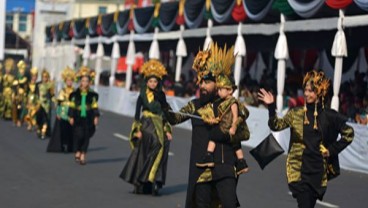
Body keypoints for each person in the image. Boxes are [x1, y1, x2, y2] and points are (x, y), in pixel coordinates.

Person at [160, 43, 249, 208]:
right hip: (201, 168)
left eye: (207, 82)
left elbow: (243, 134)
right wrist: (163, 103)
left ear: (218, 83)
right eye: (200, 82)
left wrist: (224, 129)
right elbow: (174, 118)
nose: (202, 86)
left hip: (224, 166)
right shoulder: (195, 105)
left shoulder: (231, 106)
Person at [258, 70, 354, 208]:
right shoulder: (296, 113)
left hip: (318, 173)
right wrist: (271, 106)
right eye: (306, 90)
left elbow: (349, 133)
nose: (307, 94)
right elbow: (276, 126)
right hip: (299, 171)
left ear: (320, 92)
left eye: (311, 91)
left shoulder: (330, 116)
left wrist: (331, 151)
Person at [120, 59, 172, 196]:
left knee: (161, 146)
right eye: (150, 81)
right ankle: (140, 184)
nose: (153, 84)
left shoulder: (161, 95)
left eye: (155, 81)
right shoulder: (142, 96)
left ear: (158, 82)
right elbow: (137, 114)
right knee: (142, 152)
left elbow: (166, 112)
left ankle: (154, 182)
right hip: (146, 125)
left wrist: (167, 130)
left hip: (159, 125)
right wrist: (136, 130)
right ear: (146, 82)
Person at [195, 64, 249, 175]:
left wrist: (233, 127)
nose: (218, 92)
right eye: (218, 89)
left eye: (221, 89)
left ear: (229, 90)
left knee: (213, 136)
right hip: (227, 128)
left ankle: (209, 156)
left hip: (227, 129)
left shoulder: (232, 103)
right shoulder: (224, 102)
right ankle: (241, 162)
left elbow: (235, 116)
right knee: (236, 145)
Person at [68, 66, 99, 165]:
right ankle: (77, 150)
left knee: (86, 136)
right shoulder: (75, 94)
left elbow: (95, 106)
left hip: (88, 118)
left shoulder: (92, 94)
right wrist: (71, 116)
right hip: (77, 117)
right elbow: (72, 106)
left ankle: (83, 154)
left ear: (89, 82)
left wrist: (96, 117)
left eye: (86, 81)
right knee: (78, 135)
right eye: (83, 80)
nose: (85, 83)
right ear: (80, 81)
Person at [47, 66, 75, 152]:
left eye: (71, 80)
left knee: (71, 130)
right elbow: (58, 103)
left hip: (71, 112)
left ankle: (70, 146)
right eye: (68, 80)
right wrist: (58, 113)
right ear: (65, 81)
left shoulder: (75, 91)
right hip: (63, 113)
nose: (69, 82)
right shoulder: (62, 91)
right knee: (62, 130)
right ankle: (61, 145)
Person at [35, 69, 55, 139]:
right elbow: (36, 94)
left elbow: (52, 95)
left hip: (47, 104)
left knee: (46, 118)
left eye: (46, 77)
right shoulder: (38, 85)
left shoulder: (49, 85)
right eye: (43, 77)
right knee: (39, 117)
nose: (44, 78)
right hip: (39, 103)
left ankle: (44, 132)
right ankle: (39, 129)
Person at [12, 60, 28, 127]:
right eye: (21, 69)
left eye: (23, 69)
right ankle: (16, 119)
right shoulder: (16, 77)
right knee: (16, 107)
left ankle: (21, 120)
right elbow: (14, 86)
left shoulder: (26, 78)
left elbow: (27, 86)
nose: (22, 71)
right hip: (17, 95)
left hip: (23, 95)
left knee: (23, 107)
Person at [24, 67, 39, 131]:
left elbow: (38, 93)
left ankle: (34, 123)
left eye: (35, 76)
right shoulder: (28, 84)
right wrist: (26, 100)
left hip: (35, 99)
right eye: (33, 76)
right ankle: (29, 124)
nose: (34, 77)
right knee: (29, 112)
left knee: (34, 112)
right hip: (29, 99)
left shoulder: (37, 85)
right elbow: (26, 92)